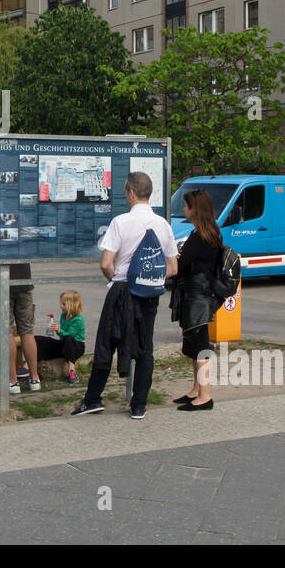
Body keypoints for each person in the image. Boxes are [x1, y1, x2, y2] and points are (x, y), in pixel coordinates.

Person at [72, 171, 175, 420]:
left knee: (107, 344)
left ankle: (93, 398)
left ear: (130, 192)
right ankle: (139, 404)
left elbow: (106, 263)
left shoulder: (120, 222)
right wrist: (150, 281)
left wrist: (117, 281)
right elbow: (173, 268)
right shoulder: (163, 224)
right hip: (148, 294)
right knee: (144, 347)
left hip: (122, 292)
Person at [172, 189, 222, 412]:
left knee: (199, 347)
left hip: (196, 298)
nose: (183, 209)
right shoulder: (212, 233)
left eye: (186, 205)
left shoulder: (198, 236)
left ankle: (205, 396)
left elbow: (180, 266)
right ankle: (196, 391)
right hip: (202, 297)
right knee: (195, 346)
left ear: (195, 209)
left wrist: (175, 257)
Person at [0, 262, 39, 393]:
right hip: (24, 283)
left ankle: (12, 381)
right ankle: (34, 378)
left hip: (1, 283)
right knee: (27, 331)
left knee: (5, 331)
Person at [34, 290, 86, 382]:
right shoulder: (64, 315)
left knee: (69, 339)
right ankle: (29, 366)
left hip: (76, 346)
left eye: (63, 304)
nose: (60, 306)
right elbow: (62, 335)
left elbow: (70, 335)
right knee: (38, 339)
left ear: (71, 305)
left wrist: (59, 330)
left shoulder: (78, 319)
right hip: (64, 344)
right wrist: (58, 330)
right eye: (61, 303)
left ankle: (71, 370)